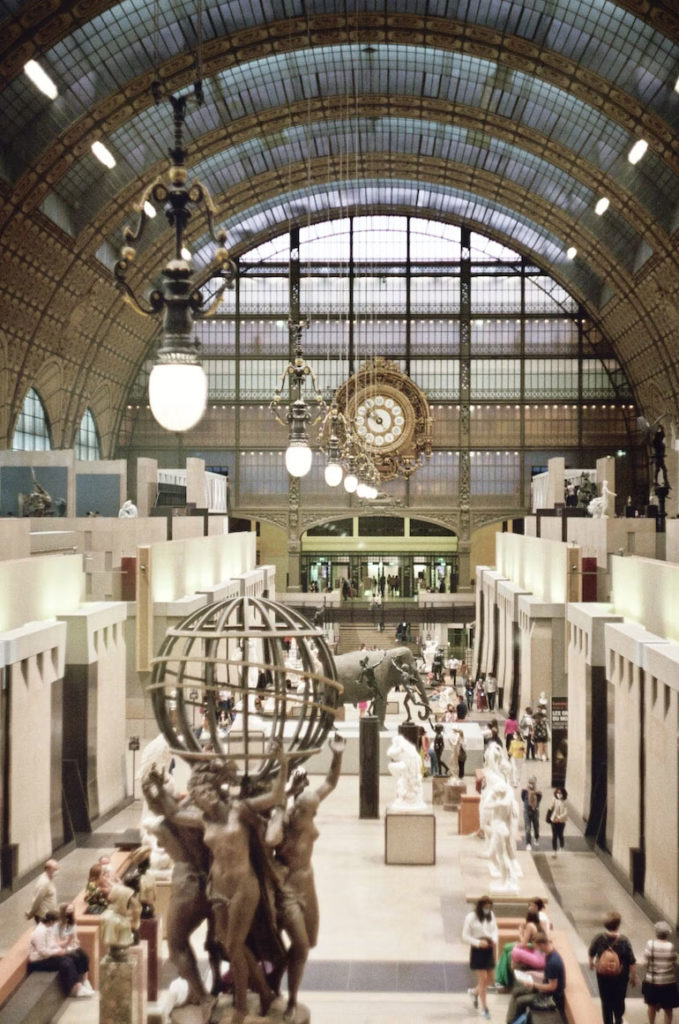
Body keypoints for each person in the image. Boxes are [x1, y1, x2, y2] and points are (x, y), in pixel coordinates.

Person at [269, 734, 345, 1020]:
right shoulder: (284, 823)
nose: (314, 814)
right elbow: (270, 839)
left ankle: (276, 973)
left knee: (308, 943)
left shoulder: (306, 808)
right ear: (297, 810)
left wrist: (336, 755)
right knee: (300, 946)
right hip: (287, 888)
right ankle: (290, 999)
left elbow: (330, 783)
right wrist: (281, 805)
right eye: (309, 811)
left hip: (307, 882)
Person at [28, 910, 93, 998]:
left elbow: (52, 944)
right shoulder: (39, 932)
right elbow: (42, 951)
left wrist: (64, 950)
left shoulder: (48, 929)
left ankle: (84, 981)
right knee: (66, 962)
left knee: (79, 953)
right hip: (39, 961)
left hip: (49, 955)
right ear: (51, 921)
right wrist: (57, 952)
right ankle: (74, 987)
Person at [505, 930, 565, 1023]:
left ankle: (511, 1021)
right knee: (517, 992)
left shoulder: (553, 962)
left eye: (537, 947)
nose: (537, 950)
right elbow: (547, 977)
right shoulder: (549, 954)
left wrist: (534, 985)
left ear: (542, 945)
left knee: (520, 1001)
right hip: (544, 989)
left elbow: (552, 987)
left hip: (550, 998)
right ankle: (512, 1021)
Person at [588, 911, 638, 1024]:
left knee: (605, 1000)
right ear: (618, 925)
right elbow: (632, 961)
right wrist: (633, 977)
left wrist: (592, 964)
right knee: (619, 999)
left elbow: (591, 952)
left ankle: (608, 1021)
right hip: (620, 977)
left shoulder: (598, 938)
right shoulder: (624, 941)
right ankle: (618, 1018)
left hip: (603, 976)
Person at [462, 895, 498, 1020]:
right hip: (478, 949)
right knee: (482, 979)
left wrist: (494, 940)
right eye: (485, 907)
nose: (487, 909)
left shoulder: (491, 915)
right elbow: (465, 936)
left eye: (489, 907)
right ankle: (485, 1008)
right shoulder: (471, 917)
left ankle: (474, 992)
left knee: (491, 979)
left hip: (488, 948)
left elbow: (494, 930)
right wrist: (477, 943)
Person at [642, 920, 679, 1024]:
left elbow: (645, 963)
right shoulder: (671, 947)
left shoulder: (650, 944)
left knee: (651, 1006)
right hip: (668, 983)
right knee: (668, 1008)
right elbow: (675, 963)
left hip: (652, 981)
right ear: (667, 934)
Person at [521, 775, 542, 850]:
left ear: (535, 783)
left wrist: (534, 804)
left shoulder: (538, 792)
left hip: (535, 811)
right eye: (530, 782)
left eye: (532, 783)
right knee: (527, 828)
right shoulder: (524, 790)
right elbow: (523, 798)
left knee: (536, 827)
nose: (531, 784)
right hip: (527, 811)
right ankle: (528, 843)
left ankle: (536, 838)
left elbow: (539, 800)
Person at [547, 786, 568, 857]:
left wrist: (559, 818)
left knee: (560, 835)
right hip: (554, 820)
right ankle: (554, 851)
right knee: (554, 836)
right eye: (558, 793)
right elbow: (551, 808)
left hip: (561, 821)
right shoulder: (554, 799)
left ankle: (561, 846)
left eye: (560, 793)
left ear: (563, 793)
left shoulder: (565, 801)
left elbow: (565, 812)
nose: (559, 794)